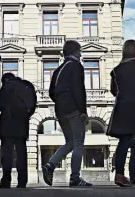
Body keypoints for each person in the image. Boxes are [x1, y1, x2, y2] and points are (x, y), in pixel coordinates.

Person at [43, 40, 92, 187]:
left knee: (70, 142)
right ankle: (75, 178)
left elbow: (51, 92)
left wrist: (61, 101)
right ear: (75, 52)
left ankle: (50, 165)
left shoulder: (58, 70)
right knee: (78, 143)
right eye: (80, 51)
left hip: (60, 109)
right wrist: (83, 110)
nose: (81, 54)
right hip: (73, 109)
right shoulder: (76, 66)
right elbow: (78, 89)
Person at [106, 39, 135, 187]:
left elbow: (114, 91)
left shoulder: (116, 70)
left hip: (122, 109)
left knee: (124, 142)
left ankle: (119, 175)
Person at [0, 72, 37, 188]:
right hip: (22, 125)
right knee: (21, 154)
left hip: (7, 125)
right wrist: (24, 116)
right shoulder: (27, 86)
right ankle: (22, 181)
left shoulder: (7, 86)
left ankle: (6, 181)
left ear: (5, 80)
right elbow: (33, 106)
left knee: (7, 154)